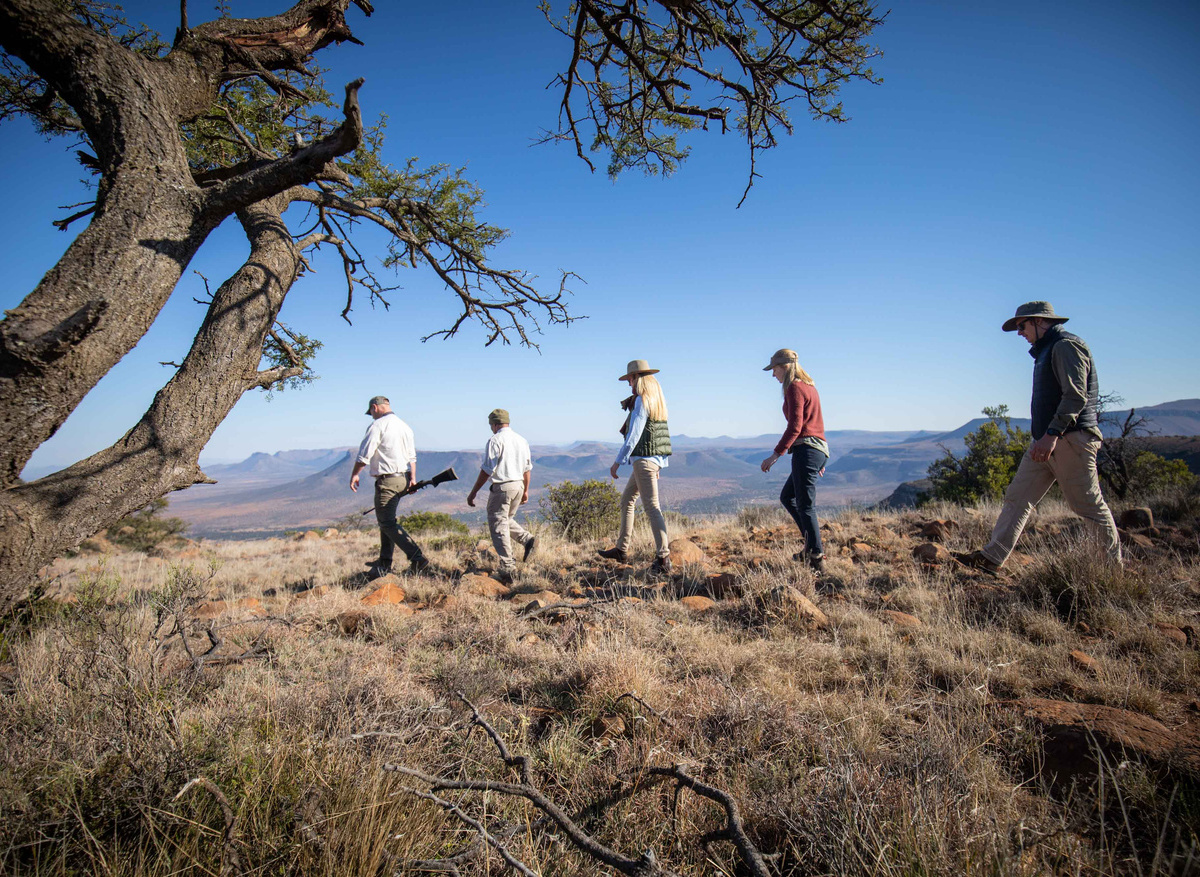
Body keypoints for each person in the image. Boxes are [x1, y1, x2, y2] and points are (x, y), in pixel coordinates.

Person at [956, 302, 1121, 573]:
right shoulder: (1047, 349)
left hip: (1070, 439)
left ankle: (1112, 572)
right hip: (1045, 440)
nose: (1020, 333)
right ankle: (992, 558)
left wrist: (1053, 434)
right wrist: (1045, 437)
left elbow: (1075, 396)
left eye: (1022, 326)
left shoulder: (1065, 346)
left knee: (1088, 506)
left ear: (1039, 321)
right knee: (1018, 497)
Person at [598, 359, 673, 574]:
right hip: (650, 461)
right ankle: (621, 549)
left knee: (652, 507)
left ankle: (663, 558)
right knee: (627, 500)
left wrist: (618, 462)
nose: (629, 384)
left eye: (630, 380)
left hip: (643, 462)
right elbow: (659, 438)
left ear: (637, 378)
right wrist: (658, 465)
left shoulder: (642, 400)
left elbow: (634, 435)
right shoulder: (657, 401)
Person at [760, 349, 829, 573]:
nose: (773, 375)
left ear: (785, 367)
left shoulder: (795, 388)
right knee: (788, 497)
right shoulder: (809, 387)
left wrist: (775, 454)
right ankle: (810, 546)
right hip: (815, 450)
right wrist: (821, 458)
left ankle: (816, 556)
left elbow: (795, 427)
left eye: (775, 370)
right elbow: (817, 425)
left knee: (805, 506)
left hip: (807, 450)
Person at [350, 395, 431, 579]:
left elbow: (365, 454)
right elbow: (412, 456)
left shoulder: (378, 425)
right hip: (403, 478)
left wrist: (355, 474)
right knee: (386, 520)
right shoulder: (405, 426)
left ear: (375, 407)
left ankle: (417, 558)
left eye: (371, 412)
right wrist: (412, 479)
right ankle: (384, 562)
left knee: (386, 522)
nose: (372, 416)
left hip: (387, 481)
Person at [466, 408, 536, 584]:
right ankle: (528, 540)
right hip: (518, 484)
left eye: (491, 425)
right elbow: (527, 469)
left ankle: (507, 567)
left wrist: (473, 492)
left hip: (503, 487)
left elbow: (487, 469)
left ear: (495, 424)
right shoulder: (521, 440)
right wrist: (525, 490)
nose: (491, 428)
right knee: (506, 519)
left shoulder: (495, 440)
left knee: (497, 523)